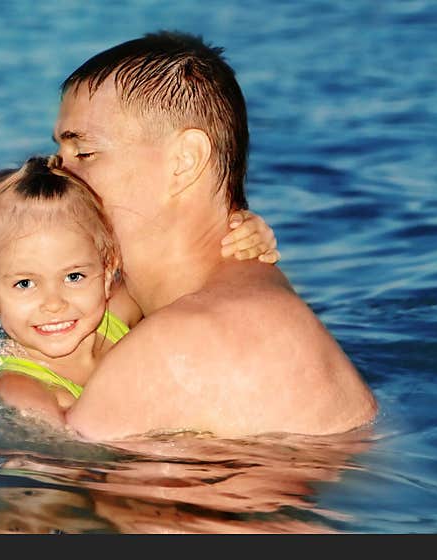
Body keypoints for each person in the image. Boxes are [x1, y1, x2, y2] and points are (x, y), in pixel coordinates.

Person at [39, 30, 377, 439]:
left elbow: (37, 481)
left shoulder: (174, 345)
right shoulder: (245, 294)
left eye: (85, 154)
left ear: (184, 162)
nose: (57, 175)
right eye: (60, 156)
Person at [0, 156, 279, 420]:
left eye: (74, 277)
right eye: (25, 283)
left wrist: (241, 236)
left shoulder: (116, 313)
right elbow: (68, 459)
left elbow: (192, 271)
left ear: (106, 273)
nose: (54, 303)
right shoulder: (24, 388)